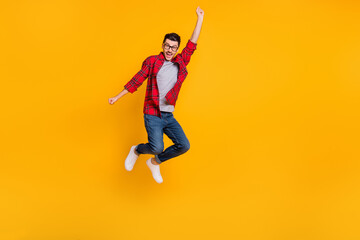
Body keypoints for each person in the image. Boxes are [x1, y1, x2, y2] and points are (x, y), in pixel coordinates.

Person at [108, 6, 204, 183]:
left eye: (173, 47)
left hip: (168, 114)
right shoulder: (153, 61)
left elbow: (192, 44)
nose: (170, 50)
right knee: (156, 146)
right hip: (152, 114)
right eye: (167, 46)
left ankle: (154, 162)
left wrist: (200, 19)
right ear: (163, 45)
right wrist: (117, 96)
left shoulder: (180, 62)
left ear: (177, 49)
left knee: (184, 145)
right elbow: (136, 80)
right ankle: (136, 150)